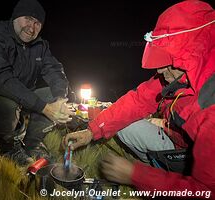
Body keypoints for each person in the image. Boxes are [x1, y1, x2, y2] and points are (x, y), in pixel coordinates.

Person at [63, 0, 215, 198]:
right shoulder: (178, 75)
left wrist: (136, 175)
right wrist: (91, 132)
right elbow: (138, 100)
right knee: (125, 125)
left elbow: (207, 192)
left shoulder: (210, 110)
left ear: (192, 57)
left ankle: (161, 181)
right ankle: (161, 173)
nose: (159, 69)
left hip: (196, 166)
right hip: (177, 145)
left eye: (168, 61)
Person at [0, 0, 75, 166]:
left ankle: (33, 145)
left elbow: (54, 69)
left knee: (52, 95)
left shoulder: (40, 45)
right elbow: (1, 79)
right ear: (15, 17)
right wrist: (46, 108)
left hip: (21, 97)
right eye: (27, 18)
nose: (32, 28)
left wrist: (60, 99)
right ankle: (8, 148)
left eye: (37, 23)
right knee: (8, 105)